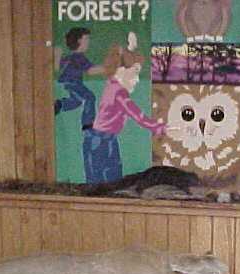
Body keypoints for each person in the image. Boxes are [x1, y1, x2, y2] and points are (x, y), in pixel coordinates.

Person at [83, 45, 168, 184]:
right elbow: (137, 115)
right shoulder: (119, 93)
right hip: (101, 142)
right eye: (135, 74)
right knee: (105, 183)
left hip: (103, 140)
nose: (137, 80)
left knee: (109, 181)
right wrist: (159, 127)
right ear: (121, 71)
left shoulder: (113, 85)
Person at [54, 27, 104, 130]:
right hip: (73, 82)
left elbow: (57, 66)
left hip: (69, 82)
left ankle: (59, 105)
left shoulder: (71, 57)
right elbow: (90, 70)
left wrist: (57, 56)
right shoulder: (79, 57)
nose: (88, 42)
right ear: (80, 41)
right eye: (87, 39)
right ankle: (88, 124)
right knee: (89, 97)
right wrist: (108, 68)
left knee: (77, 101)